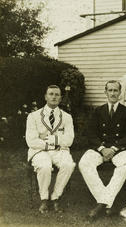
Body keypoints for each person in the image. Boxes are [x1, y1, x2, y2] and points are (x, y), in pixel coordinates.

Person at [79, 80, 126, 220]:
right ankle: (107, 202)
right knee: (84, 163)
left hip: (120, 149)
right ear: (105, 92)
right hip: (100, 148)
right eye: (110, 90)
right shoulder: (98, 111)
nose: (112, 93)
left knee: (124, 167)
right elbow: (90, 133)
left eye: (115, 90)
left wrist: (114, 148)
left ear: (120, 93)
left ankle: (100, 204)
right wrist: (102, 148)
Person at [25, 85, 75, 214]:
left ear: (60, 98)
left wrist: (48, 138)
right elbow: (31, 141)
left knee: (68, 165)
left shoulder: (67, 117)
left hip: (60, 150)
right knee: (45, 166)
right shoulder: (33, 116)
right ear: (45, 97)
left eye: (57, 94)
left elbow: (69, 140)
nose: (54, 97)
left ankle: (55, 197)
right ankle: (44, 199)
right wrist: (55, 141)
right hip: (39, 151)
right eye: (51, 94)